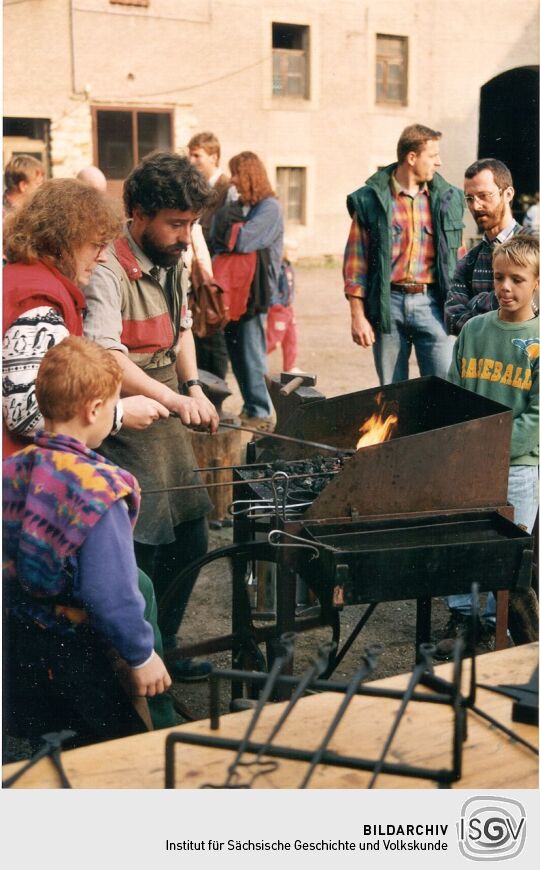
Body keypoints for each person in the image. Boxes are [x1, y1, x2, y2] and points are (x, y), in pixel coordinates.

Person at [84, 152, 220, 681]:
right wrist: (170, 401)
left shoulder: (175, 260)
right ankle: (133, 657)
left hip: (164, 396)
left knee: (192, 533)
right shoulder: (108, 269)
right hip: (124, 407)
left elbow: (183, 332)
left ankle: (168, 645)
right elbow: (107, 358)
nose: (187, 236)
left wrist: (190, 386)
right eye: (176, 224)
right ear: (138, 215)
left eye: (191, 224)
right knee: (141, 542)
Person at [3, 336, 172, 749]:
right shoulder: (98, 490)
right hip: (74, 654)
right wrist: (141, 655)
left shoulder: (13, 469)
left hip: (15, 645)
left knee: (50, 752)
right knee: (112, 754)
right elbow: (109, 591)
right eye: (115, 404)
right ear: (95, 409)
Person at [2, 178, 169, 458]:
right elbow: (25, 414)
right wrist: (118, 414)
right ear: (60, 242)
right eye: (96, 246)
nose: (103, 258)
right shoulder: (39, 303)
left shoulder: (21, 278)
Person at [437, 235, 539, 658]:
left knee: (506, 555)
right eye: (499, 277)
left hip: (517, 468)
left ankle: (506, 636)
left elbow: (535, 417)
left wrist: (491, 449)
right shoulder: (475, 330)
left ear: (536, 282)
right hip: (470, 464)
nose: (505, 287)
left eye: (517, 279)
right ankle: (466, 621)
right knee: (464, 543)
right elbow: (456, 394)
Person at [343, 123, 465, 385]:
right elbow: (356, 263)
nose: (439, 162)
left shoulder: (449, 199)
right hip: (389, 306)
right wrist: (357, 316)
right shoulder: (371, 200)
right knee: (391, 396)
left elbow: (459, 258)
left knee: (442, 390)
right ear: (412, 158)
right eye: (432, 156)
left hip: (434, 305)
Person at [211, 151, 284, 428]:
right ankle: (251, 405)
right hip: (235, 294)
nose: (233, 179)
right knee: (236, 352)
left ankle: (261, 411)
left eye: (237, 173)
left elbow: (240, 240)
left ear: (251, 175)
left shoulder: (270, 208)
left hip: (255, 295)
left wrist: (231, 225)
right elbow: (218, 237)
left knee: (252, 353)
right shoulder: (244, 207)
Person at [445, 159, 525, 336]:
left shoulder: (534, 248)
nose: (476, 206)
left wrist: (475, 303)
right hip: (483, 359)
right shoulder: (469, 260)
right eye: (469, 198)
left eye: (484, 195)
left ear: (508, 194)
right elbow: (452, 319)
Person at [188, 131, 231, 380]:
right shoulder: (199, 189)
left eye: (197, 156)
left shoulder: (227, 190)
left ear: (214, 156)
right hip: (198, 275)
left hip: (214, 275)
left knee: (214, 337)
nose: (192, 161)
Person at [266, 239, 299, 372]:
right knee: (273, 340)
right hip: (279, 309)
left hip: (288, 308)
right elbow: (272, 287)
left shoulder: (288, 266)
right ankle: (254, 362)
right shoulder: (277, 267)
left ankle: (290, 367)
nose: (293, 253)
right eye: (289, 250)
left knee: (291, 338)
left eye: (295, 250)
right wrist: (276, 305)